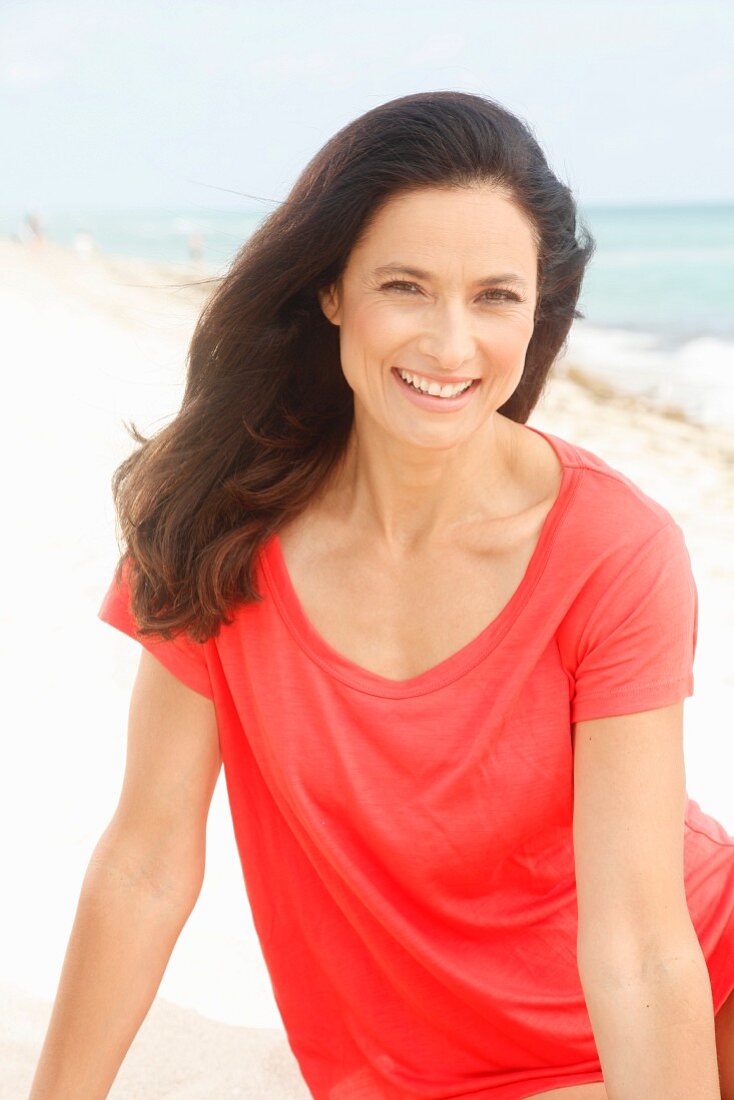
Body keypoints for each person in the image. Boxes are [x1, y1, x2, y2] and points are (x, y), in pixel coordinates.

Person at [29, 90, 734, 1100]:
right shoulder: (214, 530)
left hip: (689, 986)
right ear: (331, 292)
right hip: (438, 1068)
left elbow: (635, 939)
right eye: (406, 286)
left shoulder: (613, 551)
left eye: (494, 295)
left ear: (538, 310)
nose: (451, 345)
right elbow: (144, 861)